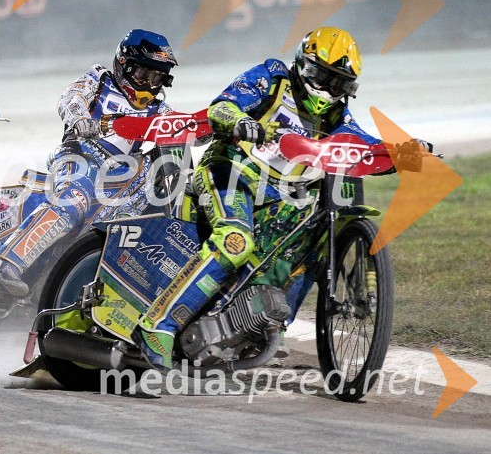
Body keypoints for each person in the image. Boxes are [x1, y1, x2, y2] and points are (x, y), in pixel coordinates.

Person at [134, 26, 433, 370]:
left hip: (281, 196)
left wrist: (406, 151)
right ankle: (157, 326)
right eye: (322, 76)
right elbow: (222, 106)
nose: (327, 89)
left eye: (337, 83)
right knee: (234, 241)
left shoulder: (336, 115)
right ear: (303, 65)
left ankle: (263, 326)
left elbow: (361, 142)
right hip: (230, 170)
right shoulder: (273, 77)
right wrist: (240, 120)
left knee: (310, 242)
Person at [0, 29, 178, 296]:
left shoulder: (159, 109)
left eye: (156, 78)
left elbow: (184, 126)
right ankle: (5, 265)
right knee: (75, 198)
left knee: (137, 217)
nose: (147, 84)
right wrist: (80, 119)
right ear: (124, 64)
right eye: (143, 74)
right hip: (80, 154)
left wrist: (214, 125)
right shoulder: (99, 78)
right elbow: (71, 99)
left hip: (119, 176)